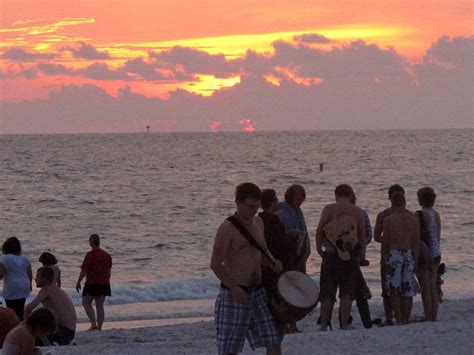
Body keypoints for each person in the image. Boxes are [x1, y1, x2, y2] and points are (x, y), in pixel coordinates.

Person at [210, 183, 283, 355]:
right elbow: (215, 263)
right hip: (235, 294)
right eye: (249, 206)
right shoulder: (227, 228)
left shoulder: (258, 222)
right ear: (238, 203)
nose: (253, 210)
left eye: (256, 206)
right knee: (230, 349)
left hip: (257, 293)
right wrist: (234, 287)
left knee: (273, 338)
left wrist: (273, 263)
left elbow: (261, 253)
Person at [315, 184, 365, 330]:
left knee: (327, 292)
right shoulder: (358, 212)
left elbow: (319, 231)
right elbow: (361, 238)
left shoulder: (329, 209)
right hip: (350, 257)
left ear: (336, 195)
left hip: (330, 254)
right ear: (350, 195)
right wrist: (361, 257)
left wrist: (319, 249)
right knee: (347, 292)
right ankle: (343, 325)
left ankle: (324, 325)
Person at [258, 189, 299, 334]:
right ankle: (285, 325)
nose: (278, 203)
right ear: (271, 202)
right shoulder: (274, 219)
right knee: (281, 296)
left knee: (268, 295)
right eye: (276, 200)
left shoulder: (258, 219)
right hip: (277, 262)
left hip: (262, 263)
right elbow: (281, 243)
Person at [382, 192, 419, 325]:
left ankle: (398, 319)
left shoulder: (389, 220)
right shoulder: (414, 220)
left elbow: (385, 243)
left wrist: (383, 261)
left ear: (392, 204)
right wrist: (415, 259)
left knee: (395, 290)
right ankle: (405, 319)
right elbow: (415, 243)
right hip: (408, 254)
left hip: (394, 254)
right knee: (407, 290)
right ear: (405, 203)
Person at [373, 184, 407, 326]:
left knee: (405, 287)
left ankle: (403, 317)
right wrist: (389, 239)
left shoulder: (409, 215)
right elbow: (376, 235)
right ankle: (389, 317)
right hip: (387, 255)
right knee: (386, 289)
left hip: (404, 254)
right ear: (389, 197)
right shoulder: (383, 215)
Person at [25, 267, 77, 345]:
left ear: (45, 279)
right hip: (70, 332)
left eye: (38, 277)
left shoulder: (46, 290)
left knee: (30, 336)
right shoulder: (57, 289)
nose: (35, 279)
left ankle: (47, 343)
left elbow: (29, 308)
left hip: (62, 332)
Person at [76, 234, 112, 331]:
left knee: (86, 303)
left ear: (91, 242)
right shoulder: (107, 256)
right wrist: (107, 282)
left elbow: (84, 270)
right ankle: (99, 327)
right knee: (100, 305)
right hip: (104, 283)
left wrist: (78, 281)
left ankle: (93, 324)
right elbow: (109, 272)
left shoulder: (90, 255)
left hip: (92, 282)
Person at [416, 186, 441, 321]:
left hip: (425, 253)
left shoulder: (419, 214)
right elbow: (437, 235)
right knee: (433, 284)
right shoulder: (436, 214)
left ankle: (428, 315)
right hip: (436, 252)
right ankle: (434, 316)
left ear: (421, 200)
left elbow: (416, 236)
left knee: (425, 286)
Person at [276, 184, 310, 273]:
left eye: (301, 201)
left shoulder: (297, 211)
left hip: (298, 255)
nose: (300, 203)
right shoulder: (281, 212)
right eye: (298, 200)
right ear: (292, 198)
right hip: (288, 255)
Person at [0, 237, 32, 320]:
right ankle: (21, 325)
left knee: (11, 309)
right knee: (20, 309)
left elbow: (1, 274)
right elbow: (29, 273)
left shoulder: (4, 258)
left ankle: (14, 327)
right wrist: (30, 284)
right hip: (24, 285)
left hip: (12, 286)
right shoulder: (25, 258)